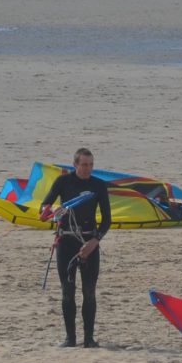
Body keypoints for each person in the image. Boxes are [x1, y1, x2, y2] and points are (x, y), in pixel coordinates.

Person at [37, 148, 114, 348]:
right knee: (67, 291)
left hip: (89, 241)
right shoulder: (63, 182)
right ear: (75, 164)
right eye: (84, 164)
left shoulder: (98, 185)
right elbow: (43, 208)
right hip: (66, 242)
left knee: (89, 291)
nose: (88, 168)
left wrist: (94, 242)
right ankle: (70, 339)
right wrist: (52, 210)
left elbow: (107, 220)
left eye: (91, 164)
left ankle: (89, 339)